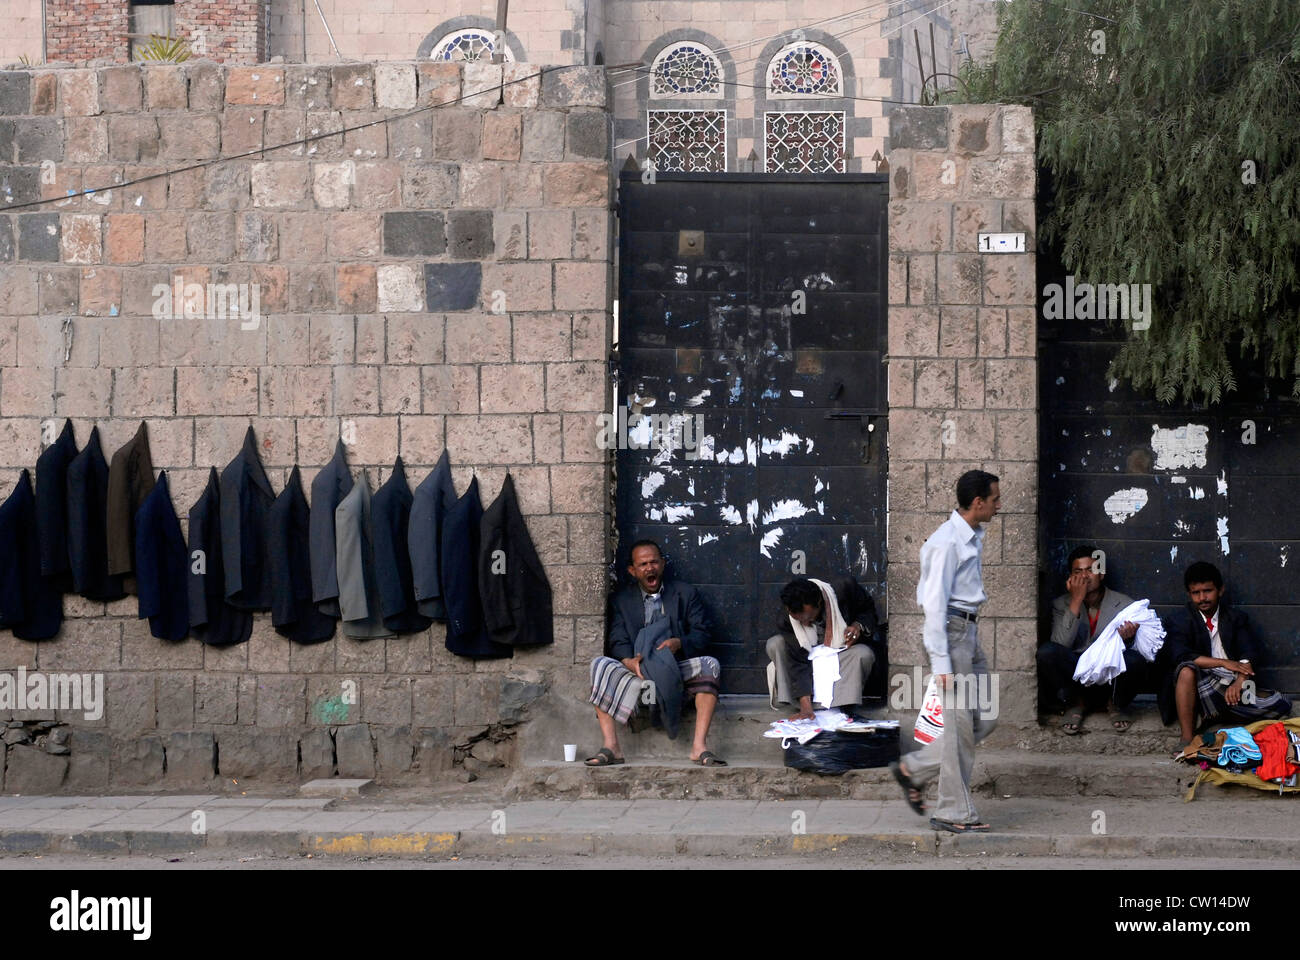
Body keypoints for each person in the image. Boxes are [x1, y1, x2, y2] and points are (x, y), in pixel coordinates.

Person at [890, 469, 1000, 833]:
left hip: (968, 632)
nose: (999, 506)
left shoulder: (971, 535)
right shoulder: (946, 542)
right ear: (978, 502)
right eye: (995, 499)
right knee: (958, 729)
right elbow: (933, 605)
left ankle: (914, 768)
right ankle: (952, 811)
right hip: (951, 635)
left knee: (986, 717)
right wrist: (941, 662)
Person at [585, 540, 726, 766]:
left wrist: (678, 643)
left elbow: (702, 634)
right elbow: (617, 639)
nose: (650, 568)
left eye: (654, 562)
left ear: (662, 564)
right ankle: (612, 746)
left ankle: (699, 747)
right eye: (643, 564)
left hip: (673, 670)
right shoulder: (621, 600)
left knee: (710, 664)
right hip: (637, 670)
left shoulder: (685, 594)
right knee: (599, 664)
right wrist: (629, 661)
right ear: (633, 571)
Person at [1163, 561, 1292, 749]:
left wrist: (1240, 680)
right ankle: (1187, 738)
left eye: (1207, 591)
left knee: (1281, 703)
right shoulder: (1179, 620)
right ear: (1189, 595)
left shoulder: (1235, 618)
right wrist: (1223, 663)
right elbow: (1180, 655)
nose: (1202, 598)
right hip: (1199, 687)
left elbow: (1249, 653)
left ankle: (1215, 714)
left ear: (1220, 590)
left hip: (1229, 688)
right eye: (1196, 593)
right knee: (1186, 670)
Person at [1039, 545, 1147, 733]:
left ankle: (1115, 704)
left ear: (1101, 574)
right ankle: (1076, 704)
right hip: (1077, 679)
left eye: (1091, 570)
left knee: (1135, 659)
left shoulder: (1124, 603)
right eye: (1078, 572)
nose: (1085, 576)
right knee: (1047, 652)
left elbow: (1138, 648)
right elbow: (1060, 645)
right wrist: (1076, 601)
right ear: (1070, 578)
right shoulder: (1061, 604)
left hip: (1109, 677)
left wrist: (1128, 639)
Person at [765, 577, 881, 719]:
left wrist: (858, 626)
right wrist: (805, 707)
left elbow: (869, 612)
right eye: (799, 620)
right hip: (807, 657)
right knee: (775, 643)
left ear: (819, 603)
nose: (804, 623)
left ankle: (840, 704)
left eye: (808, 617)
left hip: (839, 653)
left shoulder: (844, 589)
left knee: (864, 653)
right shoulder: (785, 618)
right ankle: (803, 703)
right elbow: (797, 662)